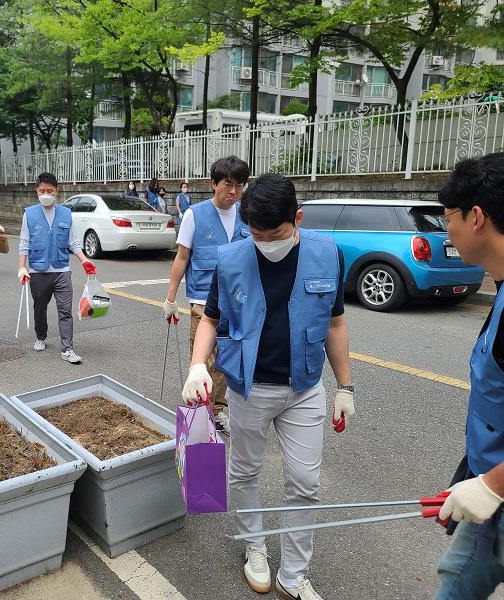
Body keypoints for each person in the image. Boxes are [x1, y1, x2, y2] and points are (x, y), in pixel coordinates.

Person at [183, 173, 353, 600]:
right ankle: (254, 547)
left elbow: (334, 323)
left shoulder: (327, 254)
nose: (265, 243)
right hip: (248, 388)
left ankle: (293, 574)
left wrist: (346, 387)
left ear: (297, 218)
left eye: (274, 234)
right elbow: (210, 318)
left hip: (304, 388)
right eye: (255, 234)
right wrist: (197, 366)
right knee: (245, 472)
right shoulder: (231, 258)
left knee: (305, 482)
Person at [432, 153, 504, 599]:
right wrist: (474, 479)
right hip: (486, 496)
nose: (448, 230)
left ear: (476, 217)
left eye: (448, 218)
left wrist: (493, 486)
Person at [163, 156, 250, 433]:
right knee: (202, 361)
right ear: (214, 184)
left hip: (237, 303)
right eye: (228, 185)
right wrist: (170, 297)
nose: (233, 192)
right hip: (202, 301)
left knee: (227, 362)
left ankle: (218, 409)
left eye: (240, 186)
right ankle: (200, 414)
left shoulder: (246, 216)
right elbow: (182, 257)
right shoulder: (194, 215)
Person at [17, 172, 96, 364]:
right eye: (42, 190)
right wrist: (21, 267)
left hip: (61, 270)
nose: (46, 194)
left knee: (65, 310)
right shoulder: (30, 214)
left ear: (56, 192)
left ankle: (67, 349)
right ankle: (40, 336)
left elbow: (74, 243)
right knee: (39, 307)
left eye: (50, 191)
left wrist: (84, 260)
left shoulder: (66, 214)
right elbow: (24, 243)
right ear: (36, 191)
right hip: (38, 271)